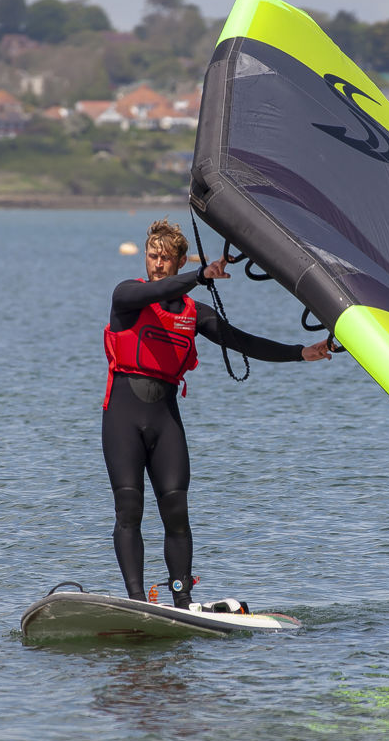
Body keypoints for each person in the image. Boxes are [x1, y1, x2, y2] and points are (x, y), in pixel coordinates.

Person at [103, 218, 332, 608]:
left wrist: (299, 352)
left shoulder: (194, 313)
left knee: (176, 509)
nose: (157, 264)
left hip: (166, 419)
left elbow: (241, 340)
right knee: (130, 508)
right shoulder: (127, 296)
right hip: (124, 416)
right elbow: (160, 290)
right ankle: (139, 600)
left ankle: (181, 599)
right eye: (152, 256)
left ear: (177, 260)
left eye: (165, 258)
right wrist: (200, 274)